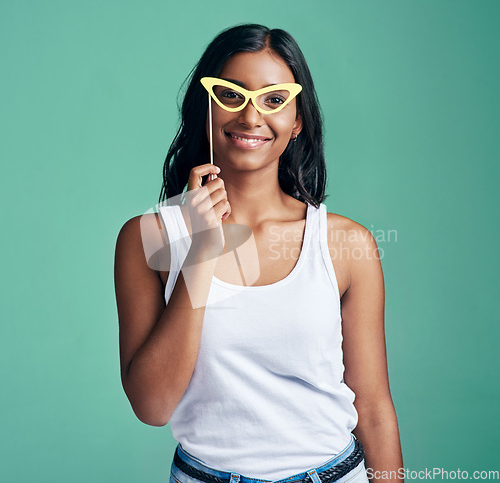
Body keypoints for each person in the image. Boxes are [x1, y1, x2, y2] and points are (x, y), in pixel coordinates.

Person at [114, 24, 404, 483]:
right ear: (204, 107)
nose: (251, 118)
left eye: (274, 100)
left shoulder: (346, 244)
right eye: (231, 95)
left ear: (298, 119)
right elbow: (152, 406)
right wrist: (202, 254)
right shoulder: (148, 238)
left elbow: (372, 407)